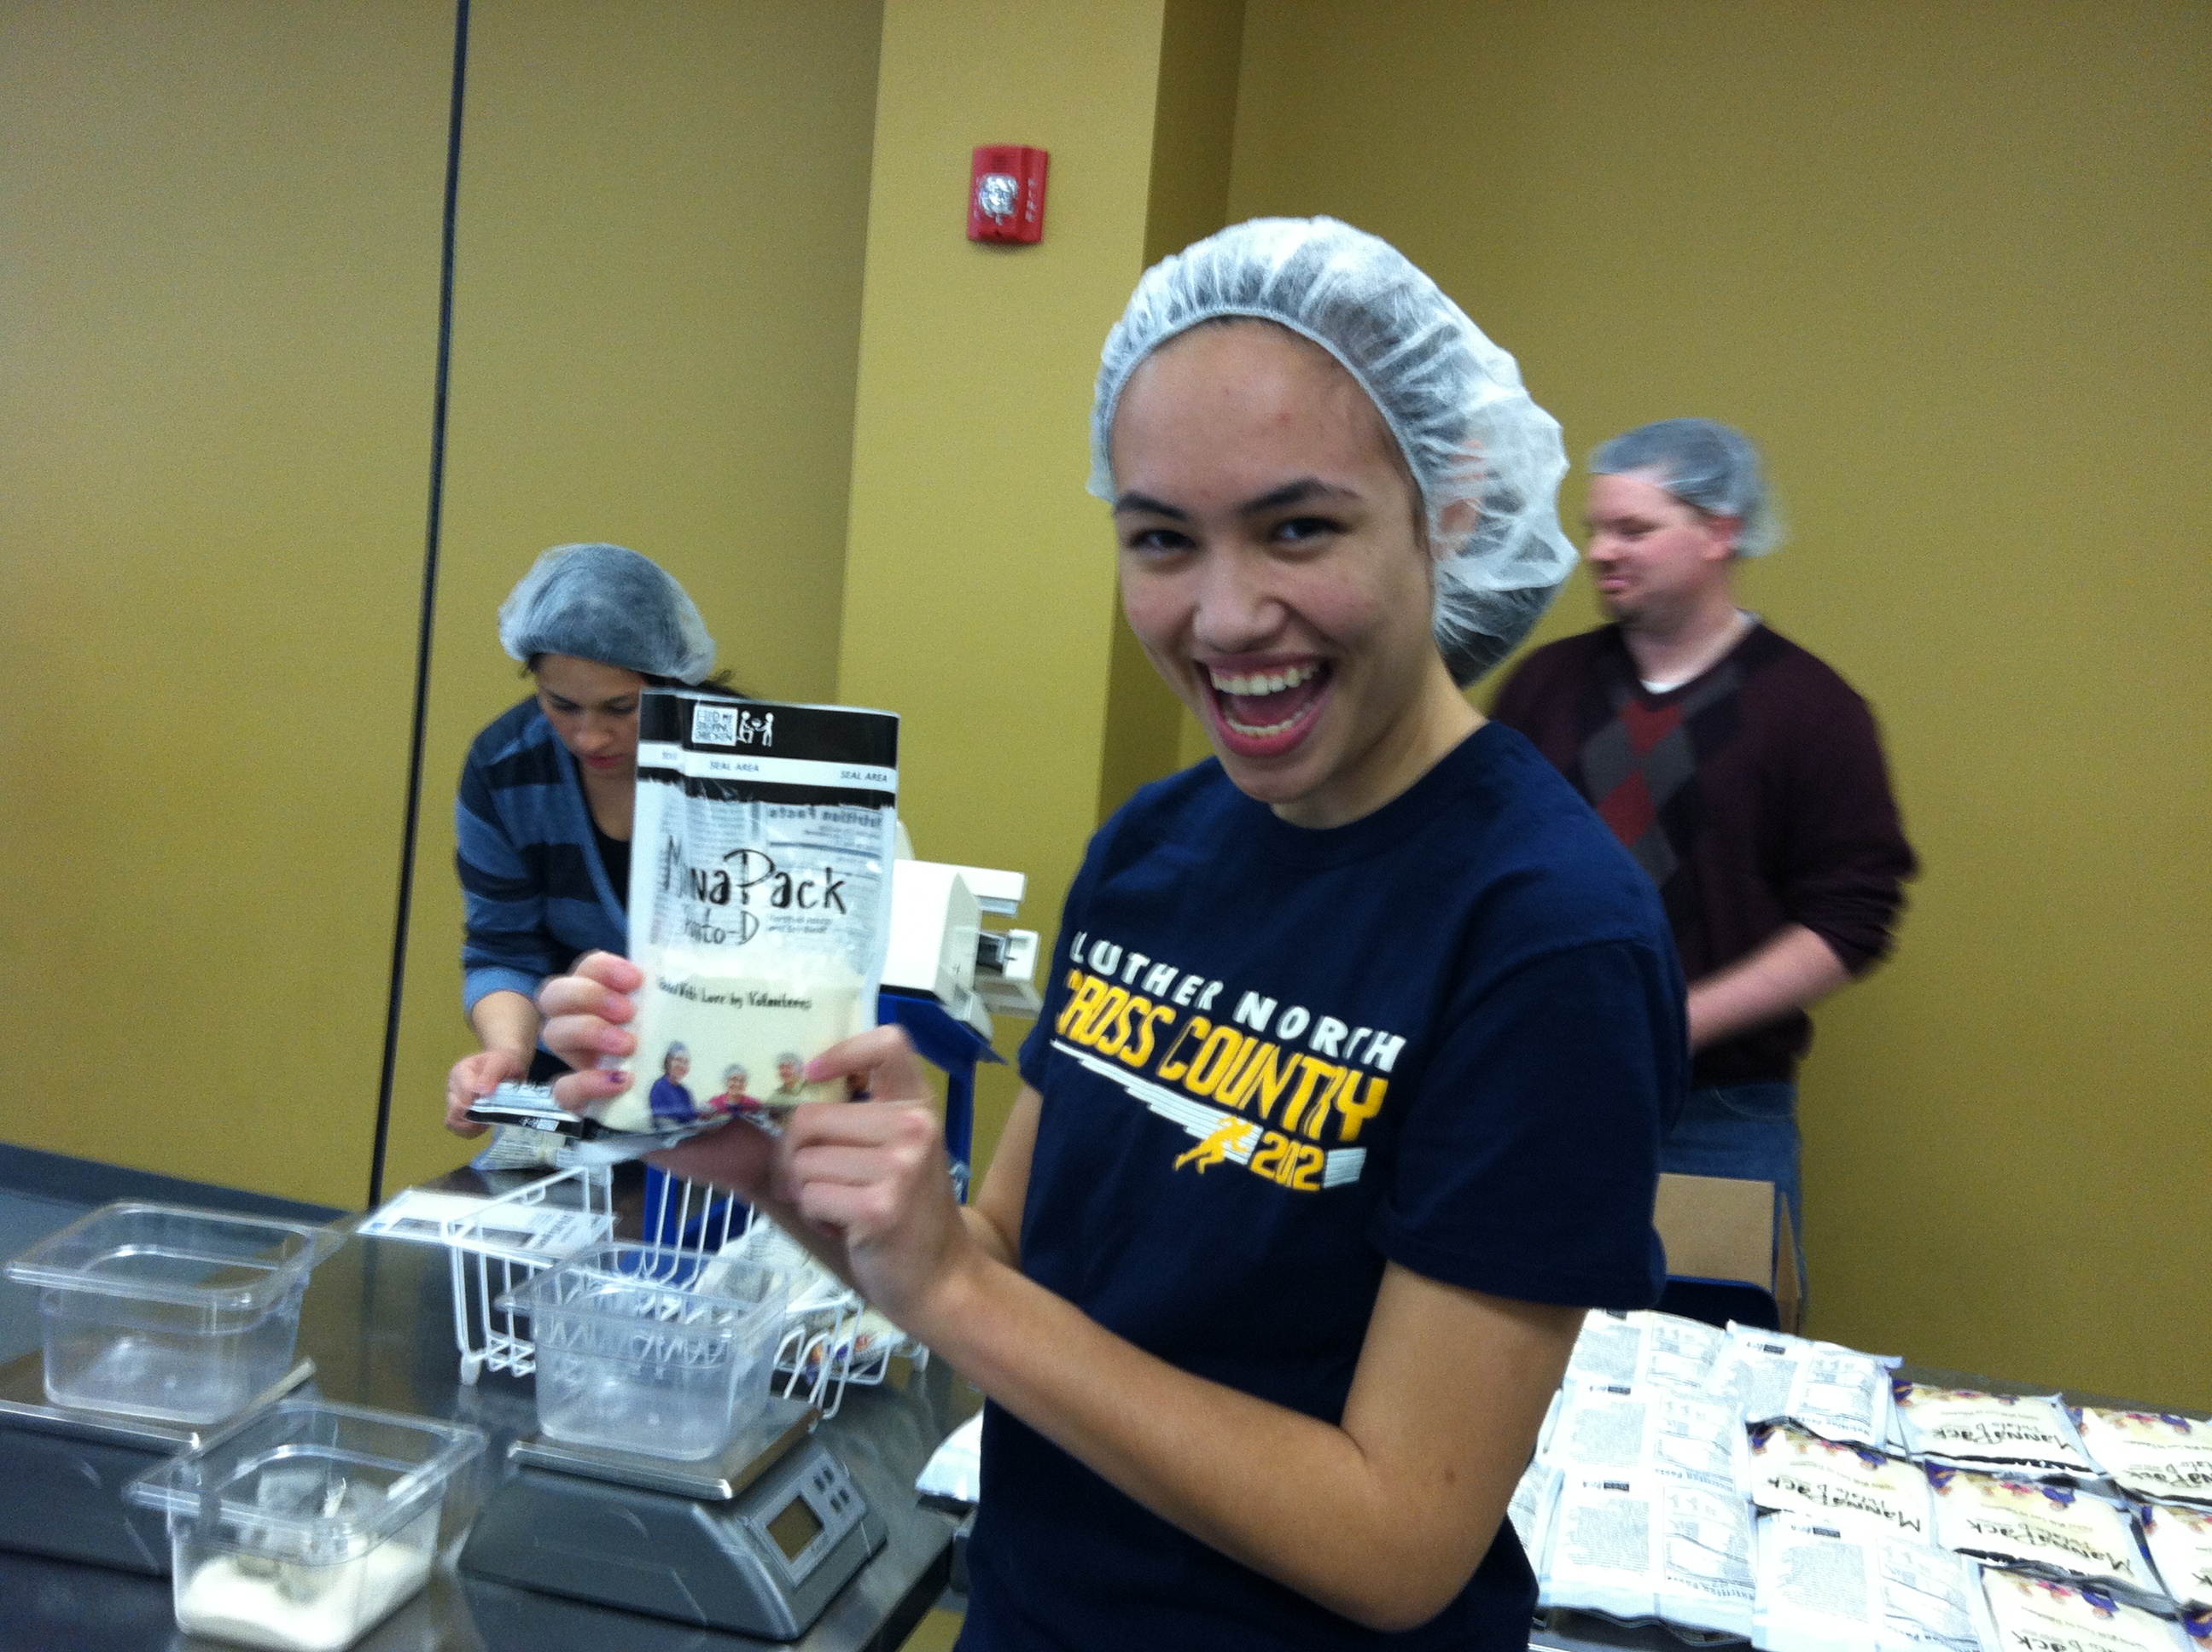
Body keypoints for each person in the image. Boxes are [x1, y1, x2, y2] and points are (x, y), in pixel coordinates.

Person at [537, 218, 1685, 1648]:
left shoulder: (1543, 935)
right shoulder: (1154, 847)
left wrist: (956, 1288)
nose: (1221, 614)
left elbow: (1397, 1537)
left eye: (1298, 527)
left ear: (1446, 511)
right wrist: (778, 1169)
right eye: (1159, 539)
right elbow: (1006, 1267)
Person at [1491, 418, 1917, 1278]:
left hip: (1721, 1120)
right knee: (1510, 1374)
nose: (1599, 552)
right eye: (1595, 529)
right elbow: (1475, 864)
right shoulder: (1545, 686)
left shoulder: (1812, 708)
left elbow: (1852, 917)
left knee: (1715, 1382)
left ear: (1721, 532)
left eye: (1633, 529)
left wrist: (1674, 1022)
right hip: (1530, 1101)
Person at [441, 542, 722, 1137]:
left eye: (622, 708)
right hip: (574, 1088)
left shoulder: (745, 766)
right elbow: (502, 950)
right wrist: (505, 1057)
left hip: (725, 1090)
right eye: (561, 705)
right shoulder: (506, 769)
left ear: (673, 680)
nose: (590, 737)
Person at [648, 1044, 697, 1125]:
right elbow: (661, 1120)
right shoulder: (659, 1087)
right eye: (678, 1060)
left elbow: (692, 1117)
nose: (682, 1066)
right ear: (668, 1062)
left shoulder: (684, 1092)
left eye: (686, 1062)